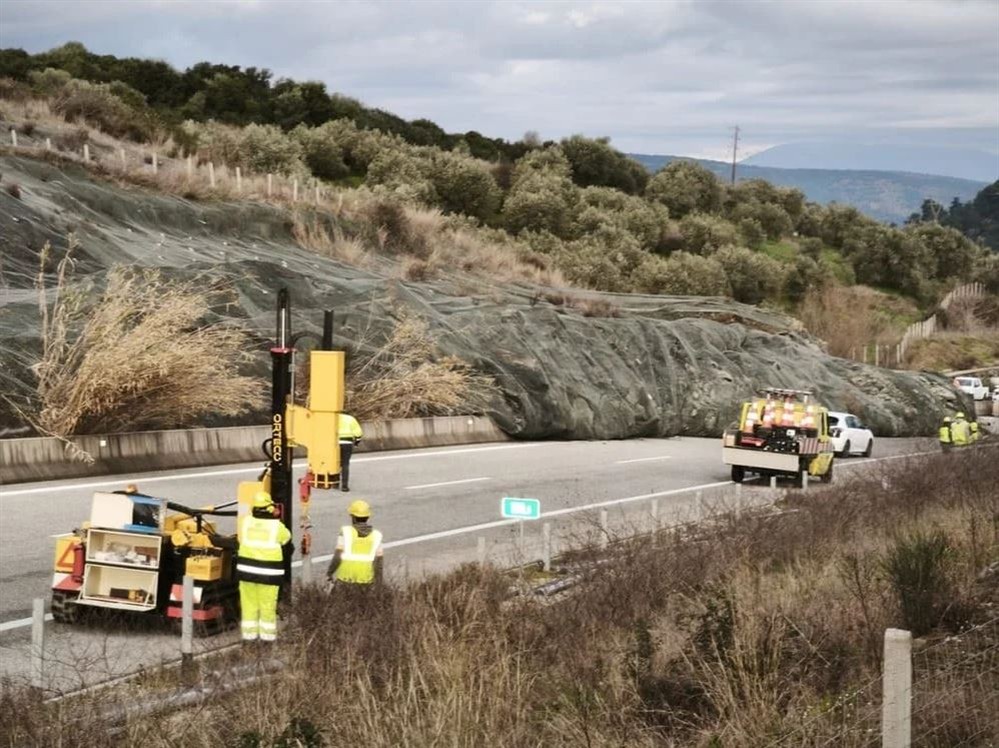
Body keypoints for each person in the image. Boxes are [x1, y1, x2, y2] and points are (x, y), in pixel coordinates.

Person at [214, 491, 291, 644]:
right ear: (269, 508)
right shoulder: (277, 526)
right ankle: (267, 640)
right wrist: (276, 517)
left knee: (249, 606)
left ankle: (249, 640)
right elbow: (286, 539)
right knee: (267, 607)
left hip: (246, 573)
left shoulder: (246, 522)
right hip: (268, 575)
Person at [327, 499, 383, 586]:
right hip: (366, 581)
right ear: (367, 517)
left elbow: (337, 556)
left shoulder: (345, 532)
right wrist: (379, 584)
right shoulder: (377, 536)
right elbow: (379, 563)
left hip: (345, 580)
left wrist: (330, 573)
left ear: (353, 517)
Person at [337, 412, 363, 492]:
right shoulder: (350, 418)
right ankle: (344, 486)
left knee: (335, 463)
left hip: (334, 443)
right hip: (347, 443)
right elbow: (358, 433)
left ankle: (335, 483)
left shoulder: (333, 417)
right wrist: (356, 442)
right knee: (345, 464)